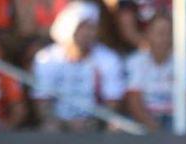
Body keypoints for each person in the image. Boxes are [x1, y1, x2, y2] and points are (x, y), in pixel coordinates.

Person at [32, 2, 127, 132]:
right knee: (48, 128)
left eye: (91, 28)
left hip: (94, 124)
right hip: (60, 124)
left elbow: (112, 103)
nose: (87, 33)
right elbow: (42, 102)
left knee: (116, 128)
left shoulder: (108, 59)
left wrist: (94, 122)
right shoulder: (47, 58)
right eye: (81, 27)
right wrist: (60, 122)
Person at [125, 14, 180, 132]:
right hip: (144, 121)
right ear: (148, 34)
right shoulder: (135, 62)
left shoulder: (183, 63)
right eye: (159, 33)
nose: (163, 38)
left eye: (167, 33)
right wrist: (153, 127)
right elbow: (134, 100)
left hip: (174, 120)